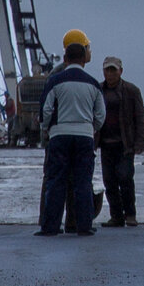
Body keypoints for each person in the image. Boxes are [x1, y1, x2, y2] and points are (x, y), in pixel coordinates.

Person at [37, 31, 104, 236]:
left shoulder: (55, 81)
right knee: (83, 182)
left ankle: (50, 227)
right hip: (84, 136)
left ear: (66, 58)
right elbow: (101, 114)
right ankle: (83, 226)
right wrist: (90, 128)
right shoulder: (93, 83)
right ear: (83, 58)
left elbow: (46, 110)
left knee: (56, 181)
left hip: (59, 136)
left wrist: (48, 128)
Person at [97, 55, 144, 228]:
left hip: (125, 144)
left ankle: (130, 214)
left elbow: (140, 117)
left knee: (125, 178)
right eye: (107, 70)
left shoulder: (131, 91)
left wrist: (140, 142)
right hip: (105, 144)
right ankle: (116, 216)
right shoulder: (98, 89)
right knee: (109, 181)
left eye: (113, 70)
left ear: (120, 71)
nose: (110, 74)